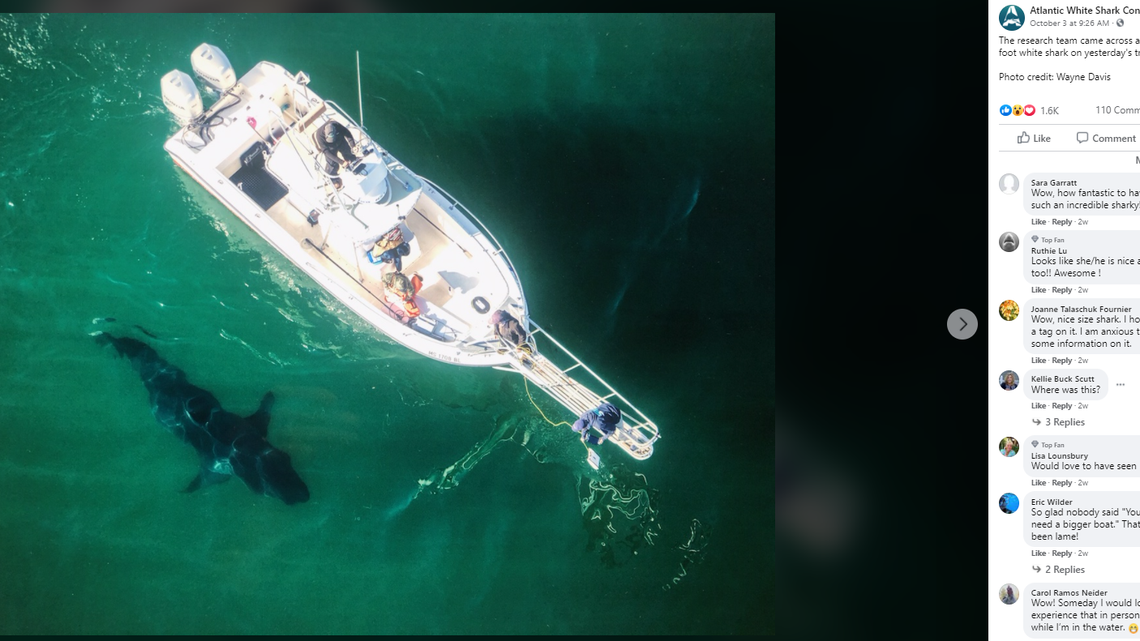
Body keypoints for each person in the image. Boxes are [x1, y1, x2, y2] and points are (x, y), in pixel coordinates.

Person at [316, 120, 358, 186]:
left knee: (348, 154)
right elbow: (326, 152)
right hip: (330, 149)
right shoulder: (319, 135)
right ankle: (331, 180)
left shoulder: (336, 125)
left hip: (340, 141)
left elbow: (347, 133)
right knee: (332, 164)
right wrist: (341, 162)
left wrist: (353, 145)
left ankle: (354, 165)